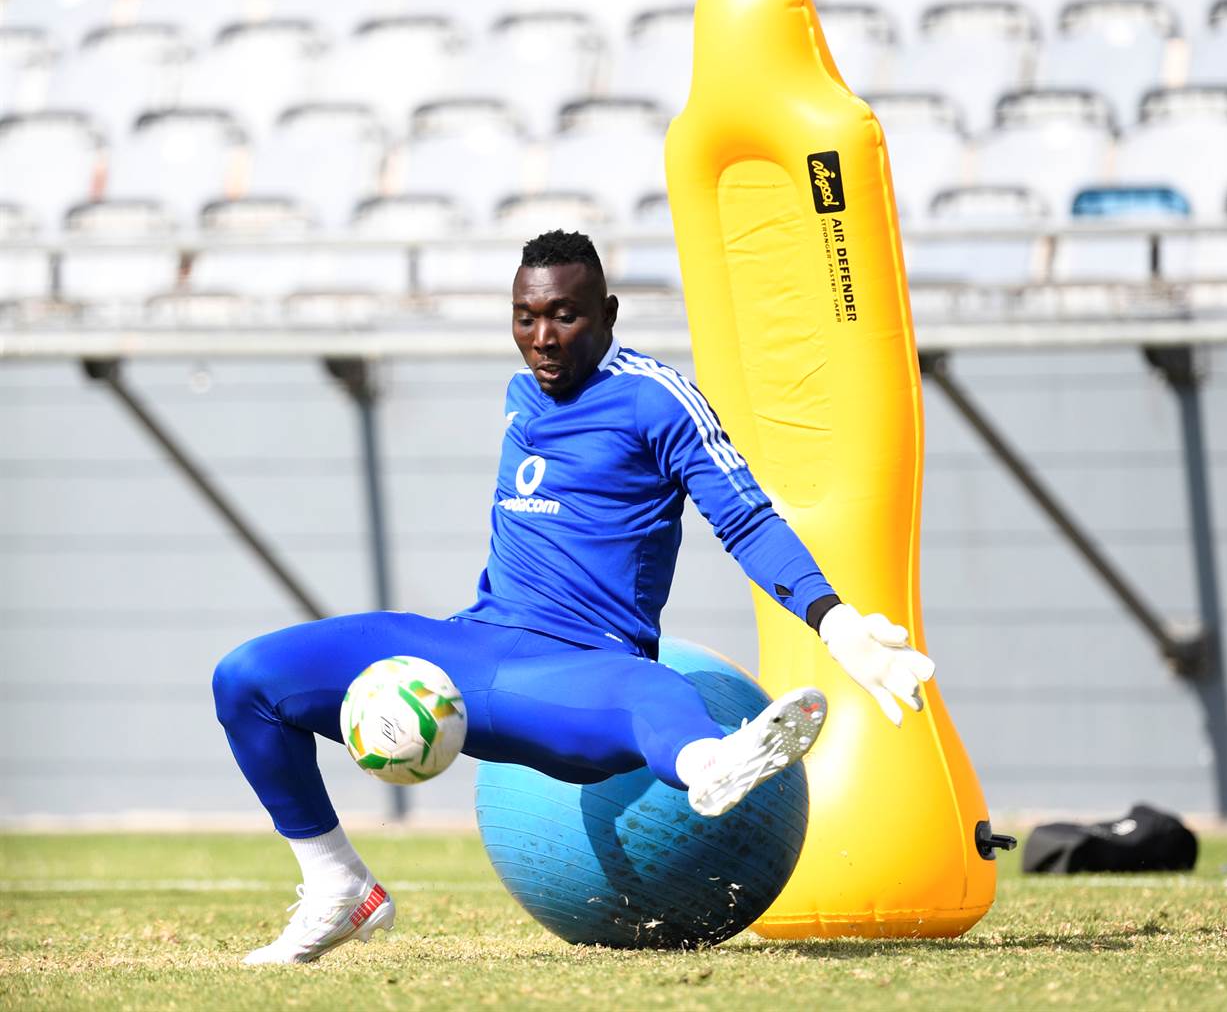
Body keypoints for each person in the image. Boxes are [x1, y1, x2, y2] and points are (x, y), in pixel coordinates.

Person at [212, 229, 935, 965]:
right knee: (247, 678)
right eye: (526, 317)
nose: (543, 339)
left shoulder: (657, 400)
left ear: (609, 313)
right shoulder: (520, 392)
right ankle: (338, 886)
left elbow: (746, 518)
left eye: (565, 315)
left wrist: (836, 621)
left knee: (652, 691)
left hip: (584, 670)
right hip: (472, 645)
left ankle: (709, 765)